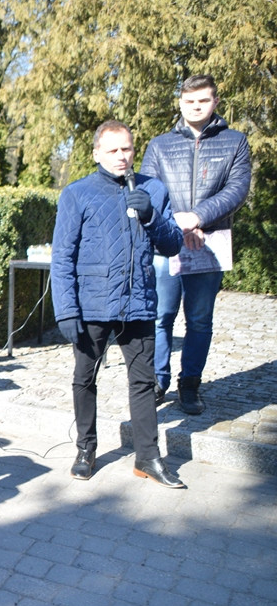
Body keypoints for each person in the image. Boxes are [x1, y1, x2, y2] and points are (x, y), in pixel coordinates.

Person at [51, 120, 185, 488]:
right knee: (85, 377)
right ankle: (85, 448)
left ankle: (148, 458)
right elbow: (62, 257)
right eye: (112, 150)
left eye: (126, 149)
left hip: (139, 302)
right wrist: (66, 309)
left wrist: (151, 216)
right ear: (96, 153)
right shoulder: (77, 194)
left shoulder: (152, 189)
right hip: (92, 305)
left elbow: (173, 244)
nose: (121, 156)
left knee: (143, 382)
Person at [140, 74, 252, 415]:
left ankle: (190, 384)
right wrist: (176, 224)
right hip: (166, 244)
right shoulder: (159, 145)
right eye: (189, 101)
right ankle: (157, 382)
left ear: (215, 102)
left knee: (200, 319)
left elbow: (236, 190)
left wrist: (198, 217)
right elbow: (148, 193)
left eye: (203, 101)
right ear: (180, 103)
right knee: (159, 316)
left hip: (209, 242)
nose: (195, 106)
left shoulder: (235, 142)